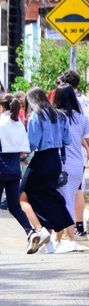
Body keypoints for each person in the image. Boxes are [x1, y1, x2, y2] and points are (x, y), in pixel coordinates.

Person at [19, 86, 76, 254]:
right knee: (47, 198)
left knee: (21, 195)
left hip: (41, 160)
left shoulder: (36, 115)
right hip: (55, 160)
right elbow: (68, 140)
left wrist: (21, 155)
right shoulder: (60, 115)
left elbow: (32, 143)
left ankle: (40, 230)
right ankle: (48, 244)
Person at [0, 94, 31, 253]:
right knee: (14, 206)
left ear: (2, 108)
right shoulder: (19, 125)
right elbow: (23, 152)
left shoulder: (0, 126)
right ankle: (30, 232)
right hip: (15, 171)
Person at [53, 83, 89, 239]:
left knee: (65, 202)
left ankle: (70, 240)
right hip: (78, 164)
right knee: (69, 199)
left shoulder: (56, 116)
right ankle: (59, 238)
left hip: (61, 164)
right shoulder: (82, 118)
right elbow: (85, 139)